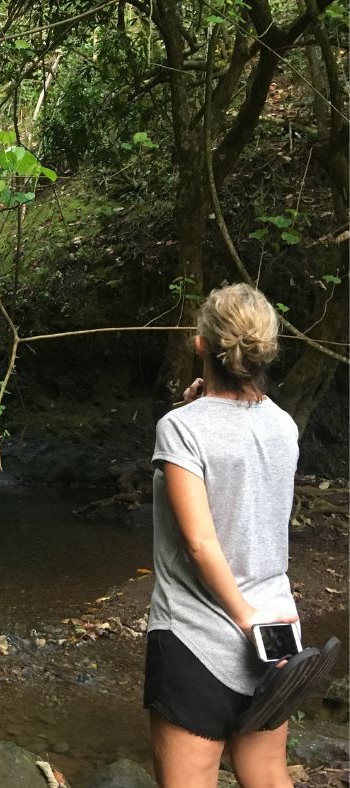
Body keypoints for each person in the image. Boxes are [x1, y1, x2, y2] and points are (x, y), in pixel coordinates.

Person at [144, 283, 300, 787]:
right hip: (275, 635)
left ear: (200, 344)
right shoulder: (284, 426)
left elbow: (201, 543)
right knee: (269, 776)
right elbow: (244, 482)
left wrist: (241, 617)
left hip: (197, 638)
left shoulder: (181, 429)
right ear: (264, 350)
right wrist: (258, 622)